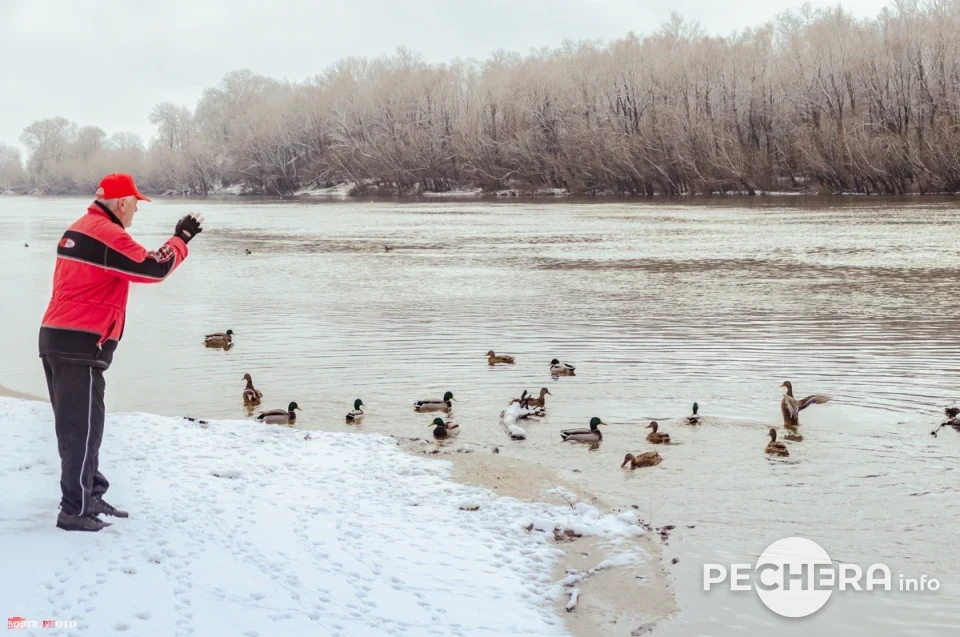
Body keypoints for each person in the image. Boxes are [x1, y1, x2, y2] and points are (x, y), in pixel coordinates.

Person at [38, 173, 204, 532]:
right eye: (135, 205)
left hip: (64, 340)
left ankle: (89, 494)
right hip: (77, 343)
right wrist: (182, 239)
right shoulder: (104, 233)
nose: (135, 214)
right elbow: (153, 268)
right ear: (123, 202)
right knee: (79, 431)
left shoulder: (83, 226)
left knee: (86, 428)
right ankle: (75, 510)